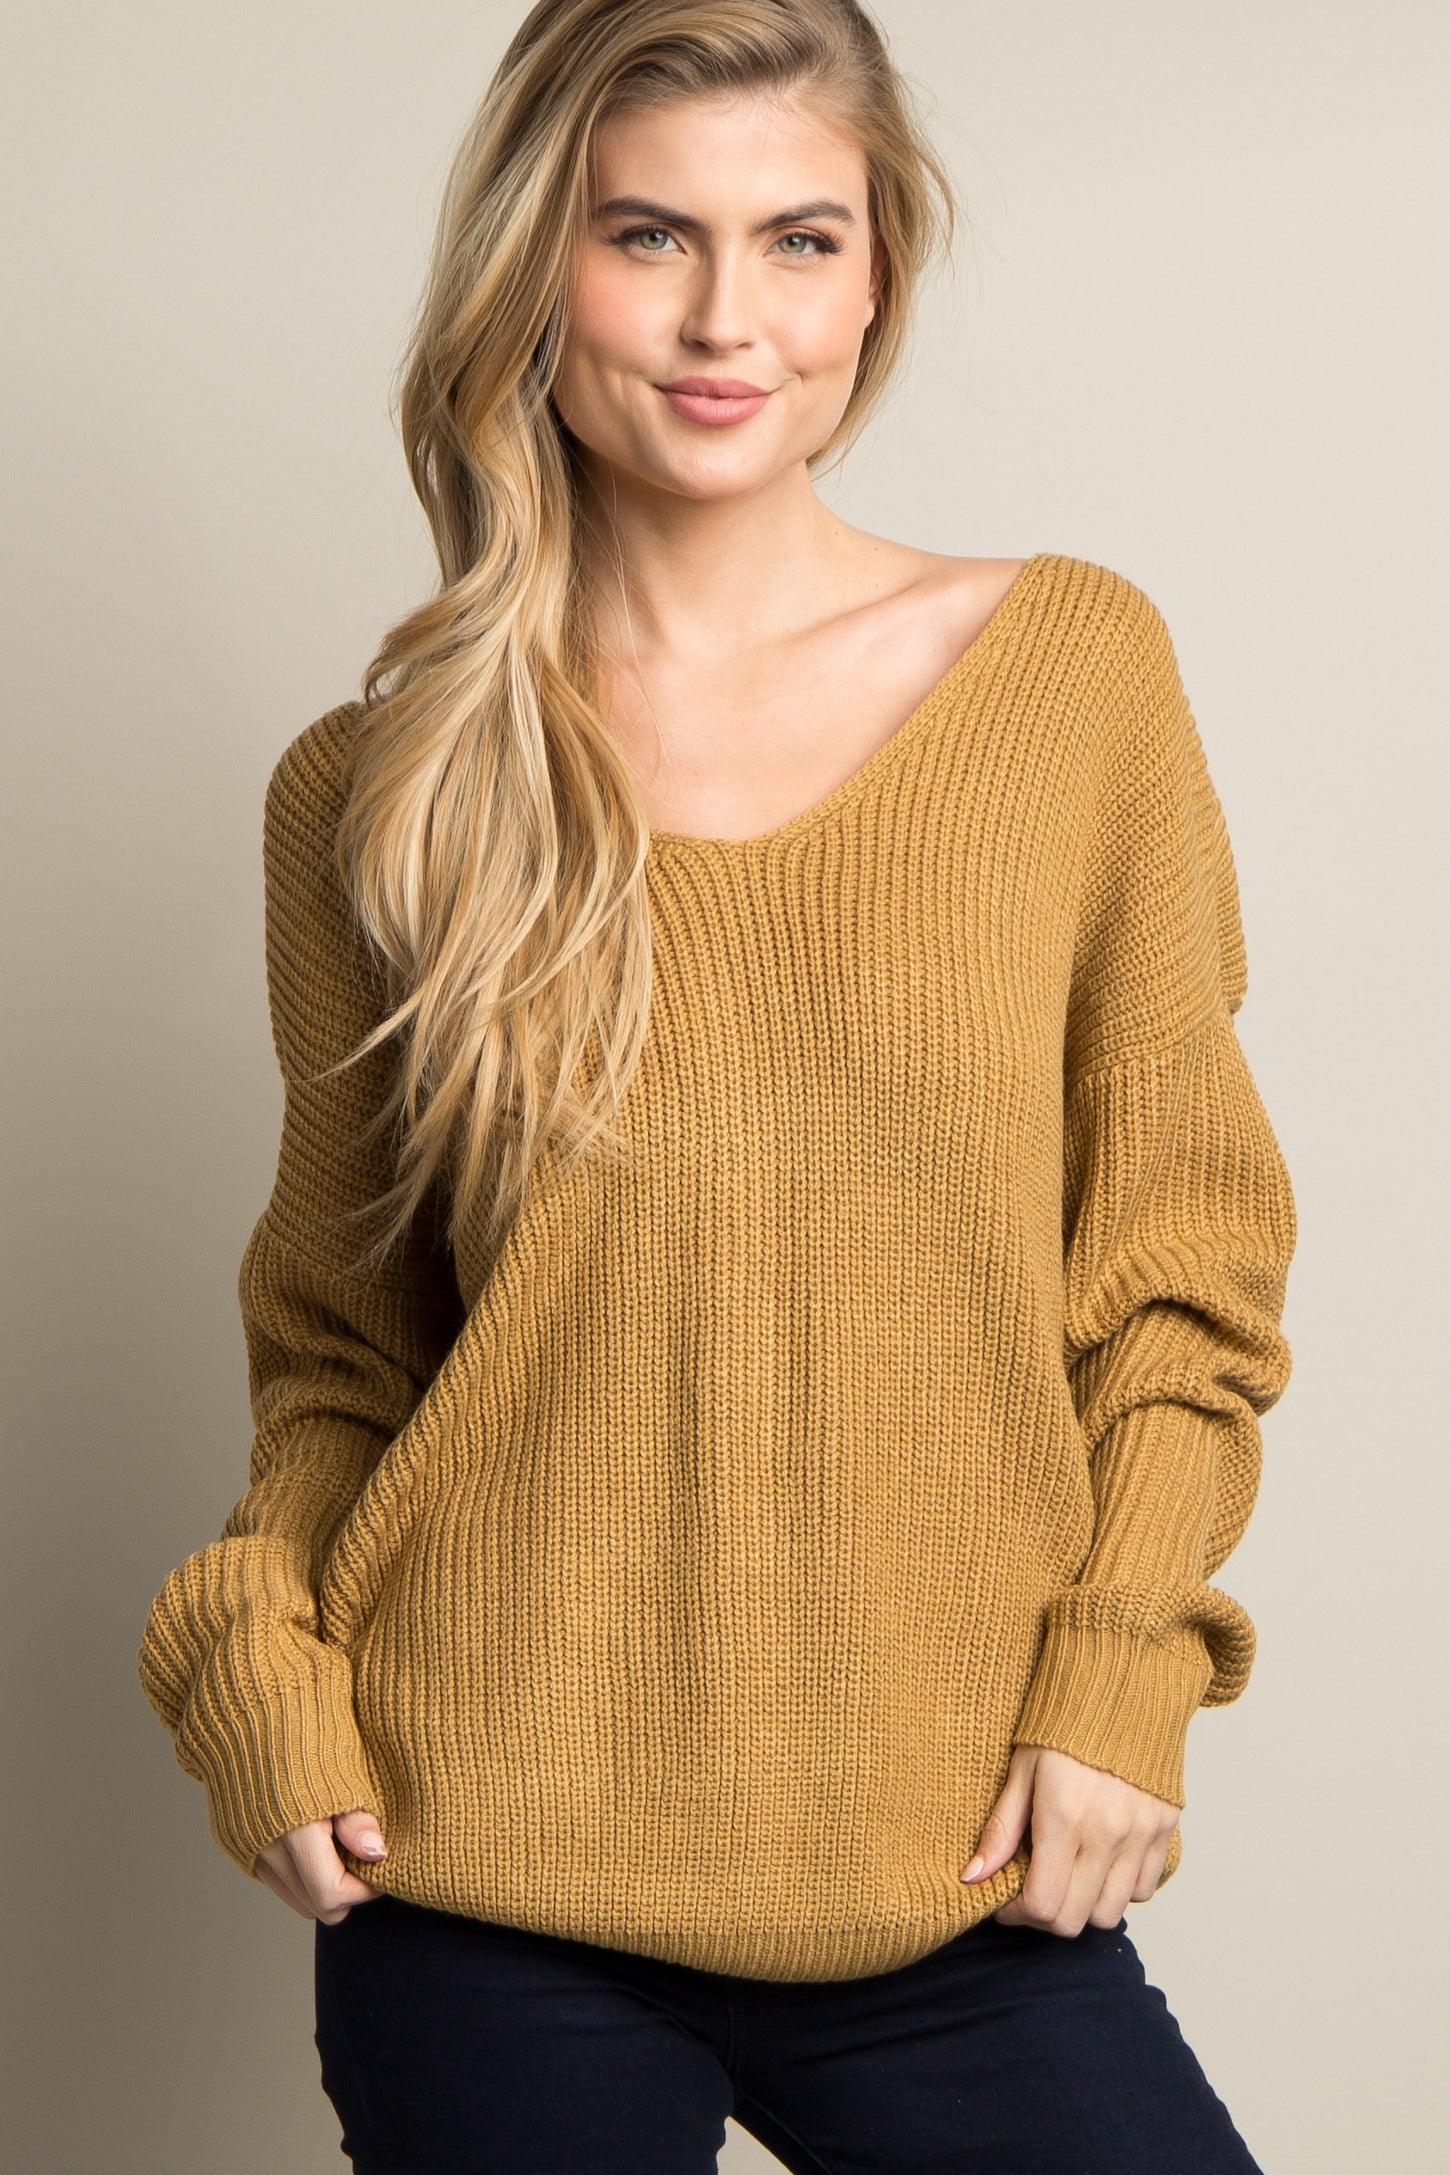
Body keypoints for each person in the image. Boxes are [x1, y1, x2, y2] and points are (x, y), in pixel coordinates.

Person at [137, 2, 1297, 2168]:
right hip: (478, 1874)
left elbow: (1178, 1279)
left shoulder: (1070, 681)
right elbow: (344, 1352)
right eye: (645, 234)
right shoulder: (379, 789)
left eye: (796, 240)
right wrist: (257, 1665)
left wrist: (1122, 1666)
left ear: (874, 278)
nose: (721, 320)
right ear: (532, 267)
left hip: (958, 1860)